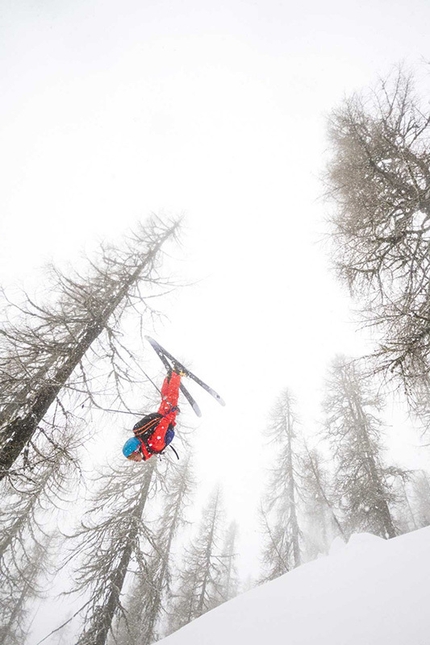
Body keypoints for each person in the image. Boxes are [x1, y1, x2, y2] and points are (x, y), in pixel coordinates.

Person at [122, 370, 182, 462]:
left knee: (172, 397)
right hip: (163, 415)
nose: (135, 461)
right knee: (166, 398)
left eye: (134, 457)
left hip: (166, 418)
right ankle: (169, 377)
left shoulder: (154, 445)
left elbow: (163, 425)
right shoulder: (148, 446)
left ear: (137, 450)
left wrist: (173, 412)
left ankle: (176, 374)